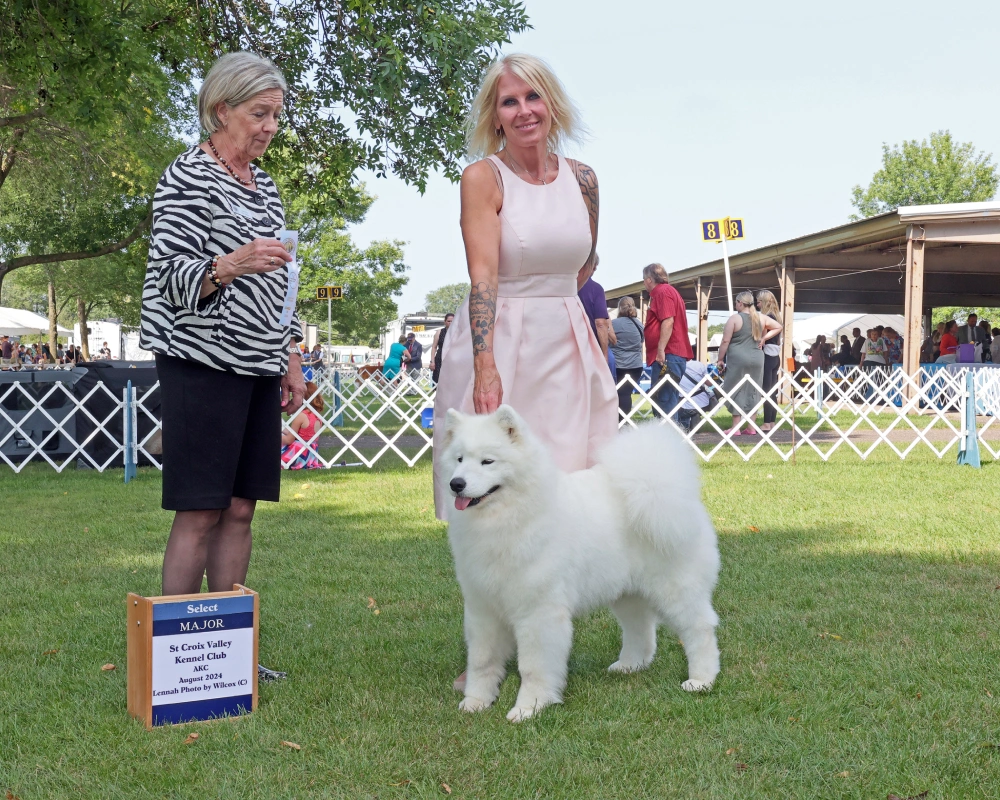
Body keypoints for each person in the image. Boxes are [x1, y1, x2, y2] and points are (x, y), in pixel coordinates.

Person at [138, 52, 305, 601]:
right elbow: (168, 278)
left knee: (240, 507)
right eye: (260, 114)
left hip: (259, 360)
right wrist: (230, 263)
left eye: (277, 117)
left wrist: (291, 353)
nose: (270, 128)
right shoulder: (189, 175)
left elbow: (285, 277)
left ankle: (229, 653)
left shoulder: (266, 186)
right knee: (202, 507)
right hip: (201, 361)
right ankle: (176, 657)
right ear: (220, 109)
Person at [432, 52, 617, 521]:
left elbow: (586, 261)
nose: (524, 110)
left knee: (572, 481)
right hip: (501, 341)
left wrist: (555, 301)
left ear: (551, 103)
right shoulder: (482, 178)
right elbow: (484, 278)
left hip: (568, 342)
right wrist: (485, 363)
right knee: (491, 494)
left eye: (533, 96)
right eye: (509, 102)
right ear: (496, 117)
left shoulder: (585, 179)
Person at [717, 290, 781, 435]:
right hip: (758, 358)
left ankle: (735, 427)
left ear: (740, 303)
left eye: (736, 303)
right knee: (754, 390)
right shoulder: (761, 317)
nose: (735, 305)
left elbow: (725, 341)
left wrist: (720, 359)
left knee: (736, 389)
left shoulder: (735, 319)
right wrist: (764, 338)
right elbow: (778, 327)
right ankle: (751, 427)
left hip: (738, 359)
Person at [642, 263, 693, 418]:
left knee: (664, 402)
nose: (644, 283)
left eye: (644, 279)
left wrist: (660, 350)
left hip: (668, 355)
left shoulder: (662, 292)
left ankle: (668, 438)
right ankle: (670, 436)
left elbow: (668, 321)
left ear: (650, 279)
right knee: (665, 399)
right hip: (673, 354)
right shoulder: (669, 291)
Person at [610, 296, 644, 418]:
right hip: (636, 366)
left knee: (616, 395)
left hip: (618, 366)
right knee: (626, 394)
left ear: (619, 308)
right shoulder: (639, 325)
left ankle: (616, 423)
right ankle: (625, 422)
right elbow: (641, 343)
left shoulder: (613, 324)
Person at [280, 381, 324, 470]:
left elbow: (289, 440)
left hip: (298, 452)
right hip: (310, 454)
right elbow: (298, 434)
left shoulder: (301, 416)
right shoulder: (317, 416)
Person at [755, 289, 782, 432]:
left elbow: (762, 334)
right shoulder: (777, 316)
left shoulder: (766, 317)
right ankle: (771, 421)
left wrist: (762, 338)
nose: (757, 304)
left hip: (767, 355)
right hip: (775, 356)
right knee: (772, 391)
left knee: (766, 390)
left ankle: (766, 423)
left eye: (759, 301)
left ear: (764, 302)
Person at [578, 255, 612, 361]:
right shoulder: (596, 289)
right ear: (593, 266)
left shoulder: (563, 286)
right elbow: (600, 323)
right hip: (590, 348)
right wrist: (605, 355)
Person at [675, 359, 716, 432]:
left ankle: (685, 425)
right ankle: (695, 415)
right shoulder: (699, 365)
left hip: (683, 406)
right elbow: (709, 383)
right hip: (704, 403)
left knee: (674, 406)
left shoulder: (675, 366)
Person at [431, 313, 454, 384]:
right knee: (438, 380)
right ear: (445, 321)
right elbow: (434, 347)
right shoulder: (439, 332)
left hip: (453, 359)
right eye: (448, 321)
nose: (450, 323)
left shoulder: (458, 333)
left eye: (452, 321)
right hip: (440, 359)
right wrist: (432, 362)